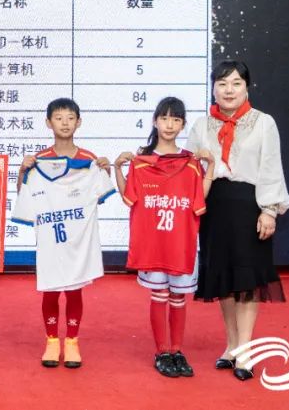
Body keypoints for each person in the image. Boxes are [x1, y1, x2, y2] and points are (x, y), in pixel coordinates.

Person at [187, 60, 289, 382]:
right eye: (222, 84)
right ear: (213, 89)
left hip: (249, 206)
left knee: (246, 279)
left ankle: (245, 350)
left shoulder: (263, 123)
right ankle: (231, 345)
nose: (228, 90)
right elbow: (189, 169)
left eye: (235, 83)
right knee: (223, 279)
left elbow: (271, 167)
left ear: (247, 87)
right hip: (213, 207)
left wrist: (269, 210)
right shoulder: (202, 125)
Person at [114, 97, 214, 378]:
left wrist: (211, 166)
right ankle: (161, 351)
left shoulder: (191, 163)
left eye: (176, 120)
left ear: (183, 125)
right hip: (154, 245)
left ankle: (177, 350)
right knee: (159, 295)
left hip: (180, 244)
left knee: (179, 297)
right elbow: (129, 198)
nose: (170, 125)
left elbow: (199, 200)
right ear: (155, 121)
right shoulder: (141, 163)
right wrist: (117, 168)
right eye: (165, 118)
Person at [14, 98, 113, 369]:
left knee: (74, 289)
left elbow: (99, 196)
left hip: (77, 240)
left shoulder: (89, 160)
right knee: (50, 289)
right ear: (48, 123)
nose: (65, 123)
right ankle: (51, 341)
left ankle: (71, 341)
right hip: (50, 238)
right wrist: (22, 172)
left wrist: (104, 171)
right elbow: (24, 196)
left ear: (79, 122)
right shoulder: (38, 161)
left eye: (70, 118)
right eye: (58, 118)